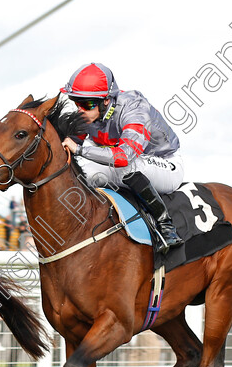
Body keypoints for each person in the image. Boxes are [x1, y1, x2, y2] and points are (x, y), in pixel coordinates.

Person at [60, 62, 183, 253]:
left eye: (87, 104)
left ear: (107, 101)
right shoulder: (90, 113)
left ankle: (165, 226)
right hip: (124, 163)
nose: (81, 109)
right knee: (81, 173)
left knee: (126, 167)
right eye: (77, 102)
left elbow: (124, 157)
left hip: (164, 164)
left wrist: (80, 150)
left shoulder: (134, 108)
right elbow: (68, 144)